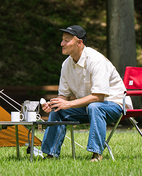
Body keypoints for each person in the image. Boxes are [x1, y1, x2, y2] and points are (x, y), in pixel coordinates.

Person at [40, 25, 131, 162]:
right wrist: (54, 104)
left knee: (95, 106)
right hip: (88, 106)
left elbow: (98, 97)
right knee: (58, 109)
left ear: (79, 43)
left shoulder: (96, 61)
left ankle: (96, 154)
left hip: (114, 105)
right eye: (62, 40)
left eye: (66, 40)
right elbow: (63, 97)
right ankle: (50, 155)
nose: (62, 43)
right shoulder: (66, 65)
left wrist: (68, 104)